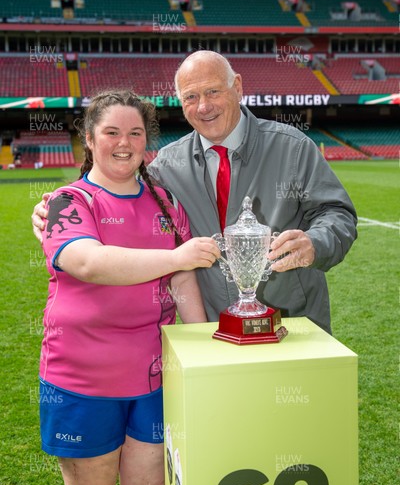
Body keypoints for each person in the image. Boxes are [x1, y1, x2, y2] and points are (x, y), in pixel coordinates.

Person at [33, 50, 357, 333]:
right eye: (190, 97)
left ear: (238, 87)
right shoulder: (165, 167)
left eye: (213, 91)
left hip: (292, 322)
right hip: (215, 328)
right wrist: (60, 214)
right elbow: (124, 217)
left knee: (294, 405)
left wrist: (316, 243)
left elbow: (337, 213)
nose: (203, 107)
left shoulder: (292, 147)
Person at [37, 89, 219, 485]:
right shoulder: (66, 202)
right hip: (82, 382)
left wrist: (201, 352)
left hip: (153, 381)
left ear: (147, 142)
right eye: (112, 132)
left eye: (135, 133)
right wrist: (177, 255)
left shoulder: (164, 202)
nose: (124, 142)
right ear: (90, 139)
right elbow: (89, 262)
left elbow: (182, 280)